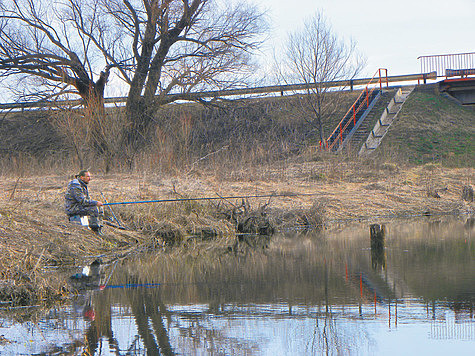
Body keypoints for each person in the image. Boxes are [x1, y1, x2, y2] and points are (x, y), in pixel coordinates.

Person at [65, 170, 104, 235]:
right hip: (73, 208)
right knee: (94, 209)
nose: (89, 178)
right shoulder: (75, 186)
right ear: (82, 177)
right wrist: (95, 203)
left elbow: (87, 200)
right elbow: (82, 201)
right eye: (88, 176)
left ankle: (99, 228)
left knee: (99, 208)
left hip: (79, 206)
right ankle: (95, 230)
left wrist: (96, 203)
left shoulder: (82, 184)